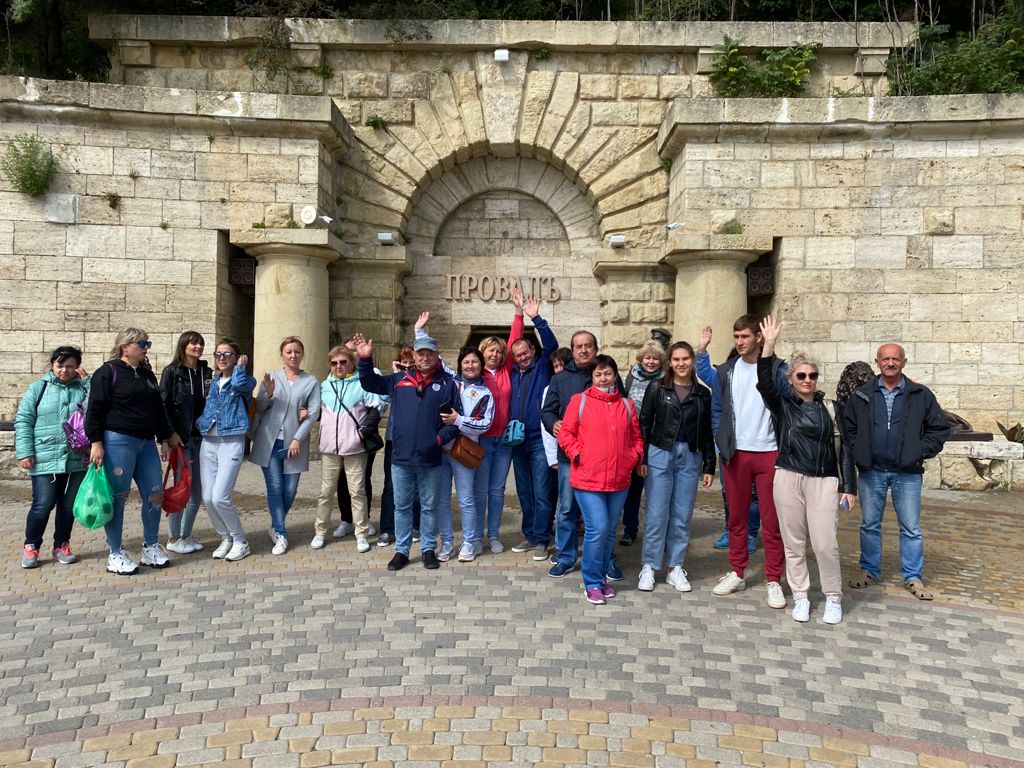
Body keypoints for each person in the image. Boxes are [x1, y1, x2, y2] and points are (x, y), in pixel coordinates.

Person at [755, 317, 856, 624]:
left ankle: (833, 597)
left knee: (825, 544)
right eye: (801, 375)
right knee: (794, 543)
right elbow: (764, 381)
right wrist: (769, 344)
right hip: (788, 476)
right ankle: (800, 595)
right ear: (791, 379)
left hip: (823, 480)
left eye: (812, 375)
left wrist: (849, 487)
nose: (808, 380)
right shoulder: (783, 406)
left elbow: (846, 447)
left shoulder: (832, 408)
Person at [844, 343, 950, 600]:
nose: (890, 363)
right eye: (885, 359)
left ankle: (912, 576)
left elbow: (938, 429)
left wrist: (918, 451)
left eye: (895, 359)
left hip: (907, 473)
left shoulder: (920, 394)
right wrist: (860, 452)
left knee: (911, 528)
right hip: (872, 471)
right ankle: (869, 570)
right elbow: (849, 429)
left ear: (904, 362)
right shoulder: (862, 395)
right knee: (869, 525)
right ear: (877, 362)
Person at [701, 315, 788, 608]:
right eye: (736, 337)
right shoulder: (727, 371)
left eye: (745, 336)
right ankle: (737, 571)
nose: (739, 342)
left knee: (772, 521)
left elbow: (786, 402)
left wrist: (771, 348)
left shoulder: (778, 369)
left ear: (758, 337)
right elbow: (717, 408)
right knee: (736, 518)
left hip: (770, 452)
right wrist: (721, 438)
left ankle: (774, 579)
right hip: (736, 453)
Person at [357, 332, 460, 571]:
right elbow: (370, 383)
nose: (425, 358)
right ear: (414, 355)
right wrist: (365, 359)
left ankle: (427, 549)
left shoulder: (447, 384)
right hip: (401, 457)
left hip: (430, 457)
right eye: (420, 353)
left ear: (436, 356)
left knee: (428, 506)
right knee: (401, 506)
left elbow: (454, 422)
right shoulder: (399, 380)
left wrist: (438, 439)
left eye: (429, 354)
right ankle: (401, 551)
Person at [85, 328, 182, 575]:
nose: (145, 347)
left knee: (154, 494)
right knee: (118, 497)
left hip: (145, 442)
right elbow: (94, 408)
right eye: (141, 343)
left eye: (147, 343)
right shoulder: (108, 372)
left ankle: (150, 546)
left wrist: (165, 436)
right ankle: (115, 553)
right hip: (118, 440)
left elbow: (158, 409)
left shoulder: (147, 374)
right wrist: (96, 442)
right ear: (125, 346)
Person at [558, 355, 644, 605]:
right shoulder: (580, 401)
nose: (603, 378)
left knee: (608, 532)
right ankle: (592, 582)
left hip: (619, 479)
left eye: (607, 373)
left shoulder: (626, 405)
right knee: (598, 528)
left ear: (615, 375)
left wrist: (634, 456)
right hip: (588, 478)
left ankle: (602, 578)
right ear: (592, 377)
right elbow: (566, 434)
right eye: (598, 374)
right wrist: (578, 454)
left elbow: (636, 437)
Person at [541, 330, 624, 581]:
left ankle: (606, 559)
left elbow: (621, 409)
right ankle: (566, 556)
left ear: (595, 348)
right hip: (570, 457)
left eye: (588, 345)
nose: (584, 350)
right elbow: (547, 411)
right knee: (567, 508)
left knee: (603, 515)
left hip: (603, 459)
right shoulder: (560, 379)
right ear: (573, 350)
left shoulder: (606, 375)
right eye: (579, 346)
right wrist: (553, 423)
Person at [636, 341, 715, 593]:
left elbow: (706, 430)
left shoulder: (702, 394)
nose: (681, 364)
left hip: (690, 455)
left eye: (685, 359)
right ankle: (649, 565)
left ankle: (675, 567)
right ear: (669, 362)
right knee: (657, 513)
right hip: (660, 452)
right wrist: (642, 458)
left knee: (682, 515)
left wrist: (709, 464)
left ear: (692, 361)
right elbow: (644, 422)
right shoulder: (657, 388)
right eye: (676, 359)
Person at [15, 346, 90, 569]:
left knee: (68, 506)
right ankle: (31, 547)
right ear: (52, 365)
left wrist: (89, 384)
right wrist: (25, 452)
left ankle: (61, 546)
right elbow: (24, 420)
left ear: (78, 367)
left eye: (70, 366)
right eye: (60, 365)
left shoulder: (84, 388)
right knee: (43, 504)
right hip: (44, 456)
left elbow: (98, 411)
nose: (64, 370)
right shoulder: (38, 388)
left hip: (77, 458)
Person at [249, 336, 321, 556]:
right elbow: (260, 408)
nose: (293, 355)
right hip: (269, 441)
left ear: (302, 354)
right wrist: (269, 394)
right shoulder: (271, 377)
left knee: (290, 490)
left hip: (293, 444)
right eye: (289, 351)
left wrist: (298, 438)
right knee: (275, 488)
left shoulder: (310, 382)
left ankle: (274, 525)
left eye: (297, 351)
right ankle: (281, 532)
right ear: (281, 354)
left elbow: (313, 413)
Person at [696, 330, 761, 553]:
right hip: (729, 446)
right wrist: (702, 349)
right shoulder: (725, 377)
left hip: (757, 444)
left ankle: (750, 533)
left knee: (753, 494)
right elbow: (705, 372)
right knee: (729, 492)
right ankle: (731, 531)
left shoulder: (762, 376)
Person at [313, 345, 383, 553]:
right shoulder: (325, 386)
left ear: (352, 363)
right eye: (334, 363)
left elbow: (376, 409)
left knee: (357, 492)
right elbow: (319, 412)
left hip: (354, 448)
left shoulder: (362, 384)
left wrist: (362, 433)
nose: (338, 366)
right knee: (326, 492)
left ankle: (361, 534)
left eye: (343, 362)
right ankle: (320, 532)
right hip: (329, 448)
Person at [472, 296, 526, 554]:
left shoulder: (506, 371)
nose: (494, 354)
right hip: (482, 439)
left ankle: (493, 535)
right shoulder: (475, 373)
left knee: (497, 490)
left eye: (498, 351)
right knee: (480, 490)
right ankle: (476, 536)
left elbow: (515, 340)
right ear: (482, 353)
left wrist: (518, 313)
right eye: (490, 350)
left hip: (504, 440)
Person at [507, 297, 559, 560]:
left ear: (533, 351)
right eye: (518, 355)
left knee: (542, 491)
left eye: (525, 353)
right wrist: (516, 313)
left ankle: (541, 538)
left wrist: (536, 318)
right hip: (517, 441)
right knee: (525, 492)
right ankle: (529, 534)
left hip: (539, 440)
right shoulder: (513, 373)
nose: (522, 357)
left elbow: (551, 345)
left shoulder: (543, 367)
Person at [195, 339, 257, 561]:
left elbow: (240, 387)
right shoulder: (213, 382)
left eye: (227, 354)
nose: (221, 358)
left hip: (231, 441)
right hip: (208, 441)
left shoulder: (245, 380)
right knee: (208, 497)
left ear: (237, 358)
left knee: (220, 496)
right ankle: (226, 537)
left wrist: (240, 367)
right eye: (218, 354)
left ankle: (240, 541)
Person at [437, 347, 494, 562]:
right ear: (460, 364)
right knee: (442, 500)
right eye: (466, 362)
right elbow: (436, 359)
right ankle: (447, 542)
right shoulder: (450, 381)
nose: (470, 366)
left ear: (481, 365)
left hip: (463, 452)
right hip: (441, 450)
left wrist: (458, 420)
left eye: (475, 362)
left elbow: (485, 424)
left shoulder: (485, 394)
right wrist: (419, 332)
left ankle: (469, 541)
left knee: (466, 500)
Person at [160, 331, 212, 555]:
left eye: (200, 343)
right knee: (182, 489)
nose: (198, 347)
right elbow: (163, 405)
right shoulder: (172, 372)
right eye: (193, 343)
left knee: (197, 492)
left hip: (203, 440)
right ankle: (173, 537)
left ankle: (185, 535)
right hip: (181, 440)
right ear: (183, 346)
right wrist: (168, 435)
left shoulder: (207, 372)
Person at [620, 340, 667, 547]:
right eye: (648, 357)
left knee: (657, 490)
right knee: (633, 489)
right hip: (634, 438)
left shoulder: (666, 380)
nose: (651, 361)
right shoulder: (630, 378)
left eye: (655, 358)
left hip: (657, 439)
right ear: (641, 358)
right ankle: (630, 529)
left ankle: (657, 533)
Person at [377, 346, 418, 548]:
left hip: (417, 437)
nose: (407, 367)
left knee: (417, 484)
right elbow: (383, 398)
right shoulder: (395, 380)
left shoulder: (421, 379)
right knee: (390, 485)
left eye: (411, 363)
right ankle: (387, 528)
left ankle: (415, 525)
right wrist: (396, 374)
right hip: (395, 437)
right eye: (404, 363)